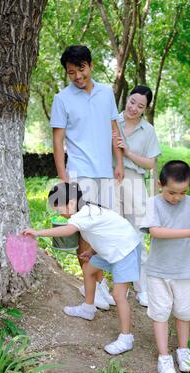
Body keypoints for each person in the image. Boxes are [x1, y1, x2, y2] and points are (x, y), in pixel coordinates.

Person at [22, 182, 141, 355]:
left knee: (118, 295)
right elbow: (105, 232)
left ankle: (126, 338)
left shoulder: (83, 214)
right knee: (89, 269)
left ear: (70, 203)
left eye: (59, 208)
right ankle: (88, 308)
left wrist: (38, 233)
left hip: (125, 251)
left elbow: (67, 231)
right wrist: (93, 251)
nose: (59, 213)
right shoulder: (86, 210)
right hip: (112, 248)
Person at [50, 45, 124, 311]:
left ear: (90, 65)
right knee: (84, 232)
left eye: (81, 69)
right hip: (79, 174)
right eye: (71, 73)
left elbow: (114, 130)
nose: (78, 77)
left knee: (102, 232)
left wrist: (119, 163)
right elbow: (58, 142)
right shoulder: (62, 99)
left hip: (105, 173)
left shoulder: (106, 93)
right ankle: (91, 290)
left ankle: (98, 284)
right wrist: (63, 178)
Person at [140, 161, 190, 373]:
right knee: (160, 313)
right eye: (171, 192)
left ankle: (183, 350)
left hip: (182, 270)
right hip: (158, 271)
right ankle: (164, 357)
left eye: (182, 192)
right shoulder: (153, 203)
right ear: (160, 184)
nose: (177, 197)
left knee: (184, 311)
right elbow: (156, 232)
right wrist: (188, 231)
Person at [114, 85, 161, 307]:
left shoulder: (148, 130)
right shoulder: (113, 121)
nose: (134, 108)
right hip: (110, 181)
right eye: (132, 102)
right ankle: (112, 286)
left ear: (145, 109)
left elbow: (151, 163)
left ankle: (141, 288)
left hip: (134, 182)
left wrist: (129, 152)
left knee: (136, 236)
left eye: (140, 106)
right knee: (111, 234)